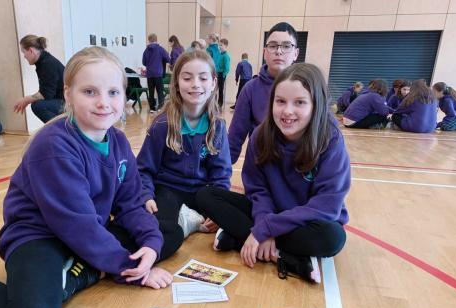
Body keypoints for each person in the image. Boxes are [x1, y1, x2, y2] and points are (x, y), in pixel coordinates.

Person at [0, 47, 173, 308]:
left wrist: (151, 244)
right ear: (68, 94)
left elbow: (131, 203)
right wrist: (135, 269)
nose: (104, 102)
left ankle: (79, 272)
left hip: (87, 230)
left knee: (166, 233)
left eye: (114, 92)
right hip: (40, 235)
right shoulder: (54, 146)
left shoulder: (117, 141)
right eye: (90, 92)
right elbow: (75, 224)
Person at [197, 63, 350, 283]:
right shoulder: (261, 136)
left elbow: (326, 206)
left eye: (299, 103)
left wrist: (265, 230)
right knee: (206, 195)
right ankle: (288, 257)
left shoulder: (330, 139)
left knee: (333, 238)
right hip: (268, 212)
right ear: (271, 103)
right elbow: (258, 190)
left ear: (316, 104)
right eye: (280, 101)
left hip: (307, 221)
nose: (287, 111)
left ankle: (239, 237)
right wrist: (264, 223)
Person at [137, 50, 232, 253]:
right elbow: (144, 169)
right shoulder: (162, 124)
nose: (195, 84)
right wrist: (146, 195)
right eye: (187, 78)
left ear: (214, 83)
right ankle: (184, 222)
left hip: (201, 194)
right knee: (160, 227)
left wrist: (219, 208)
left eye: (203, 78)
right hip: (168, 190)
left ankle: (191, 219)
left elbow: (221, 175)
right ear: (177, 84)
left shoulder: (218, 126)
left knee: (235, 214)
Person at [228, 22, 299, 164]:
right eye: (273, 46)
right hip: (260, 171)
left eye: (286, 46)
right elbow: (235, 138)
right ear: (265, 52)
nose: (279, 51)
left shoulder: (308, 88)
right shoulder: (250, 89)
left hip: (297, 170)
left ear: (296, 53)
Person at [13, 35, 65, 123]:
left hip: (69, 103)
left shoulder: (47, 63)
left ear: (31, 50)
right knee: (38, 104)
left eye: (24, 52)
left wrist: (26, 99)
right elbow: (46, 92)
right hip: (62, 100)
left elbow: (46, 94)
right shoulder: (43, 62)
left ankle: (62, 130)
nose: (24, 56)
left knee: (38, 106)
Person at [142, 33, 170, 113]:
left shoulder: (146, 50)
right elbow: (168, 59)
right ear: (156, 39)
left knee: (151, 91)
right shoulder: (160, 49)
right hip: (158, 74)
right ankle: (160, 108)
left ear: (149, 40)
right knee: (160, 91)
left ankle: (152, 108)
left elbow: (144, 62)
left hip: (150, 74)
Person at [217, 38, 231, 109]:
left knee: (220, 90)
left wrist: (223, 75)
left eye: (221, 45)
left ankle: (220, 103)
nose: (219, 46)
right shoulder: (220, 54)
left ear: (225, 46)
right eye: (219, 45)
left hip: (221, 74)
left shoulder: (226, 56)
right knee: (216, 89)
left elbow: (227, 68)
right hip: (218, 73)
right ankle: (216, 103)